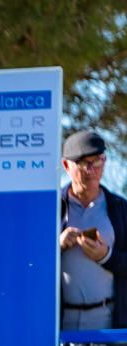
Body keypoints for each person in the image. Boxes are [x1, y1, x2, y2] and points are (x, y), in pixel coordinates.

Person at [59, 130, 127, 330]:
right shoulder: (50, 209)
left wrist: (106, 256)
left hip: (112, 327)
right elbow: (30, 264)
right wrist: (57, 246)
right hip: (61, 329)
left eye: (99, 161)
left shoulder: (121, 209)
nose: (93, 170)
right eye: (85, 163)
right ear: (66, 165)